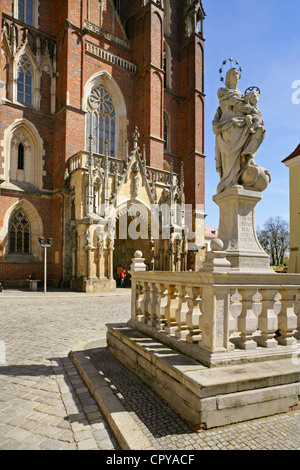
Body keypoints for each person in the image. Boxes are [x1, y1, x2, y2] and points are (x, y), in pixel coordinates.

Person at [212, 68, 264, 194]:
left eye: (238, 75)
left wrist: (252, 110)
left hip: (239, 125)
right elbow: (239, 106)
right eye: (234, 74)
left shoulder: (239, 94)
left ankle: (247, 158)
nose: (237, 77)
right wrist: (252, 110)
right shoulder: (224, 92)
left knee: (260, 129)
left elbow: (243, 106)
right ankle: (229, 181)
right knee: (230, 156)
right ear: (228, 77)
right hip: (229, 127)